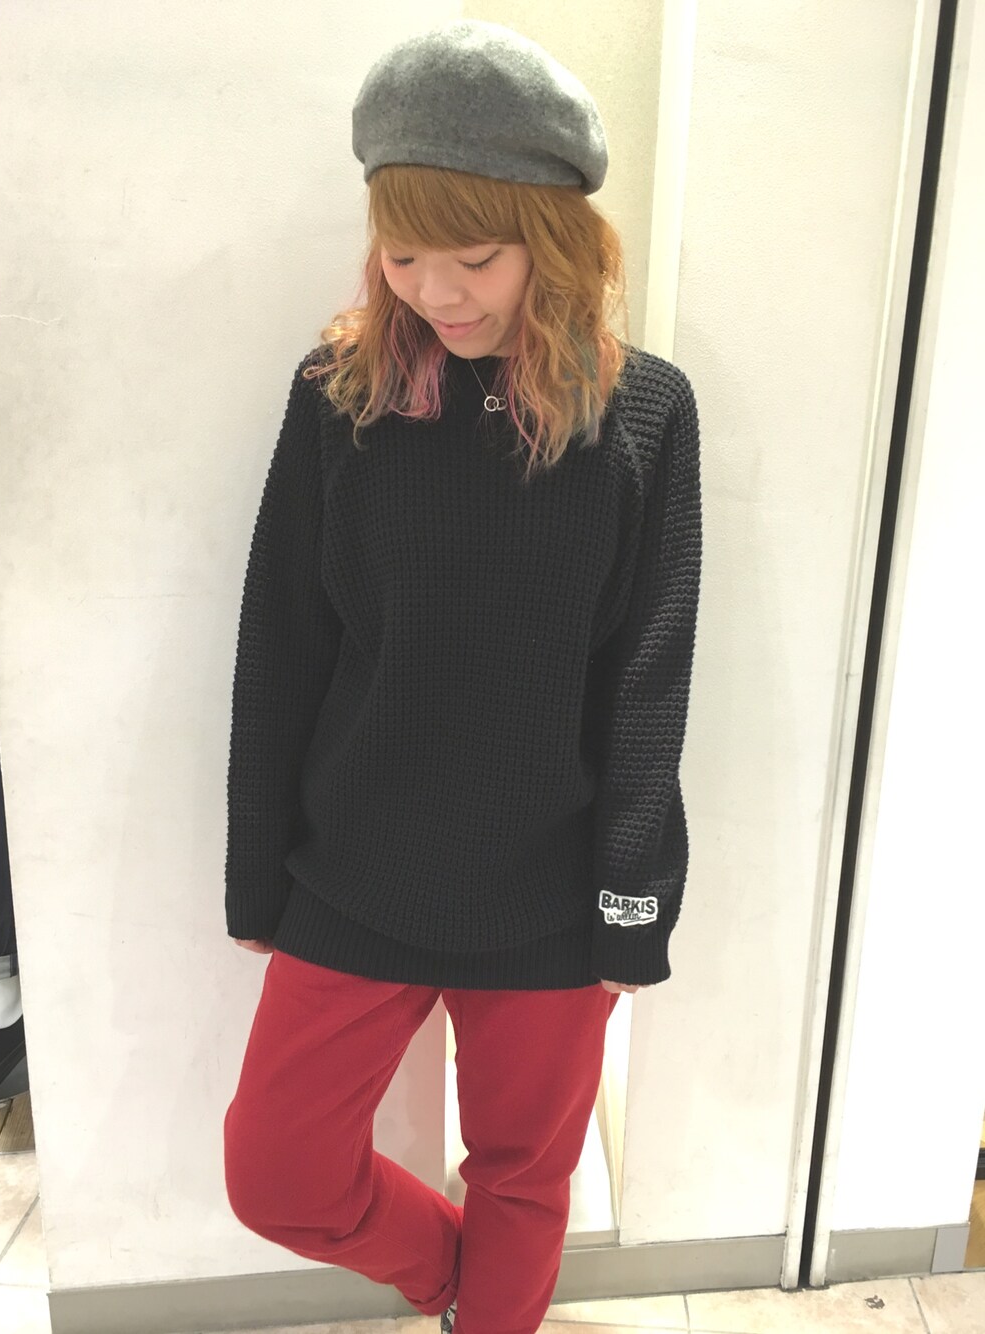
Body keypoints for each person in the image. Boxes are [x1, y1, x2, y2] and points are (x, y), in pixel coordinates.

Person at [222, 19, 702, 1334]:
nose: (437, 289)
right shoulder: (342, 396)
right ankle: (458, 1285)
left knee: (525, 1178)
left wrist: (630, 904)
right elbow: (282, 647)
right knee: (276, 1169)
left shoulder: (644, 413)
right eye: (403, 251)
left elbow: (649, 675)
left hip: (549, 894)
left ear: (555, 238)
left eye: (476, 255)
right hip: (355, 871)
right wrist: (258, 872)